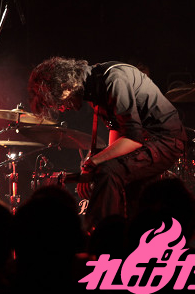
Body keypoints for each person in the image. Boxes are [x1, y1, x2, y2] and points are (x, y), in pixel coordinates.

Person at [28, 57, 186, 232]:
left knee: (108, 171)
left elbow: (133, 138)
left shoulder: (113, 80)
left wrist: (93, 164)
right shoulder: (94, 85)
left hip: (166, 139)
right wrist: (95, 165)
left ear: (66, 86)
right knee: (125, 191)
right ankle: (124, 235)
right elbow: (118, 130)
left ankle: (102, 233)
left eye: (59, 102)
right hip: (147, 141)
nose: (62, 108)